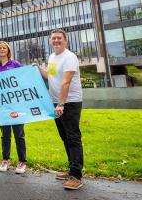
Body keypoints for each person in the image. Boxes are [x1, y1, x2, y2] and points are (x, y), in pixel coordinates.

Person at [36, 29, 84, 190]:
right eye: (53, 38)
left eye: (59, 38)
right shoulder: (52, 57)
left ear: (65, 40)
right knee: (65, 137)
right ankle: (72, 169)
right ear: (50, 41)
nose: (56, 40)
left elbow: (66, 82)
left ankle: (76, 176)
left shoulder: (69, 57)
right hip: (56, 102)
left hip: (69, 102)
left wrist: (61, 104)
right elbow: (50, 77)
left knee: (73, 137)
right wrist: (37, 68)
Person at [0, 41, 27, 174]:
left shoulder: (15, 64)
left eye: (4, 48)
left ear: (8, 50)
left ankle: (22, 162)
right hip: (1, 105)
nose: (2, 50)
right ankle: (5, 159)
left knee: (19, 134)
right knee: (5, 135)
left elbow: (23, 80)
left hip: (16, 105)